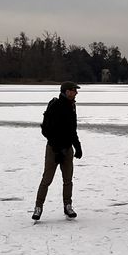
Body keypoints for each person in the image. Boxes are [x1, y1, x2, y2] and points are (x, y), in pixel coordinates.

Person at [32, 81, 82, 221]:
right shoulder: (55, 105)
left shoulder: (72, 106)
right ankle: (38, 206)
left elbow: (72, 130)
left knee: (68, 180)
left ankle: (68, 206)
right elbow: (47, 130)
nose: (76, 93)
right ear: (66, 91)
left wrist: (77, 146)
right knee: (47, 179)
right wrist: (57, 149)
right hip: (53, 149)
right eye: (74, 90)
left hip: (67, 149)